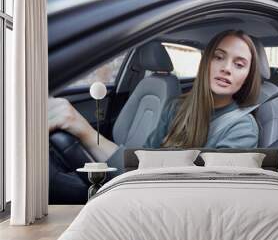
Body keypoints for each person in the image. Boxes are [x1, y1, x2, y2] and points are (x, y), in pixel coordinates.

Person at [49, 30, 261, 171]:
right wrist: (78, 126)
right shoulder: (177, 106)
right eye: (219, 57)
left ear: (247, 77)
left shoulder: (242, 128)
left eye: (239, 64)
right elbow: (144, 161)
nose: (226, 68)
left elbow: (209, 191)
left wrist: (83, 131)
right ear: (206, 62)